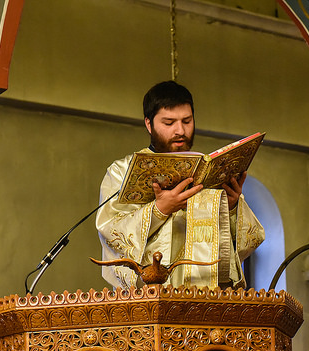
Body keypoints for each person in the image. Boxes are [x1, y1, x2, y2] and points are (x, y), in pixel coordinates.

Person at [96, 80, 264, 289]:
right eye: (169, 123)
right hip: (150, 296)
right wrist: (159, 210)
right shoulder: (122, 171)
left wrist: (231, 208)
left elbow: (248, 241)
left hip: (204, 296)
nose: (180, 130)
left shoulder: (209, 169)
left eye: (187, 121)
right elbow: (109, 230)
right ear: (148, 123)